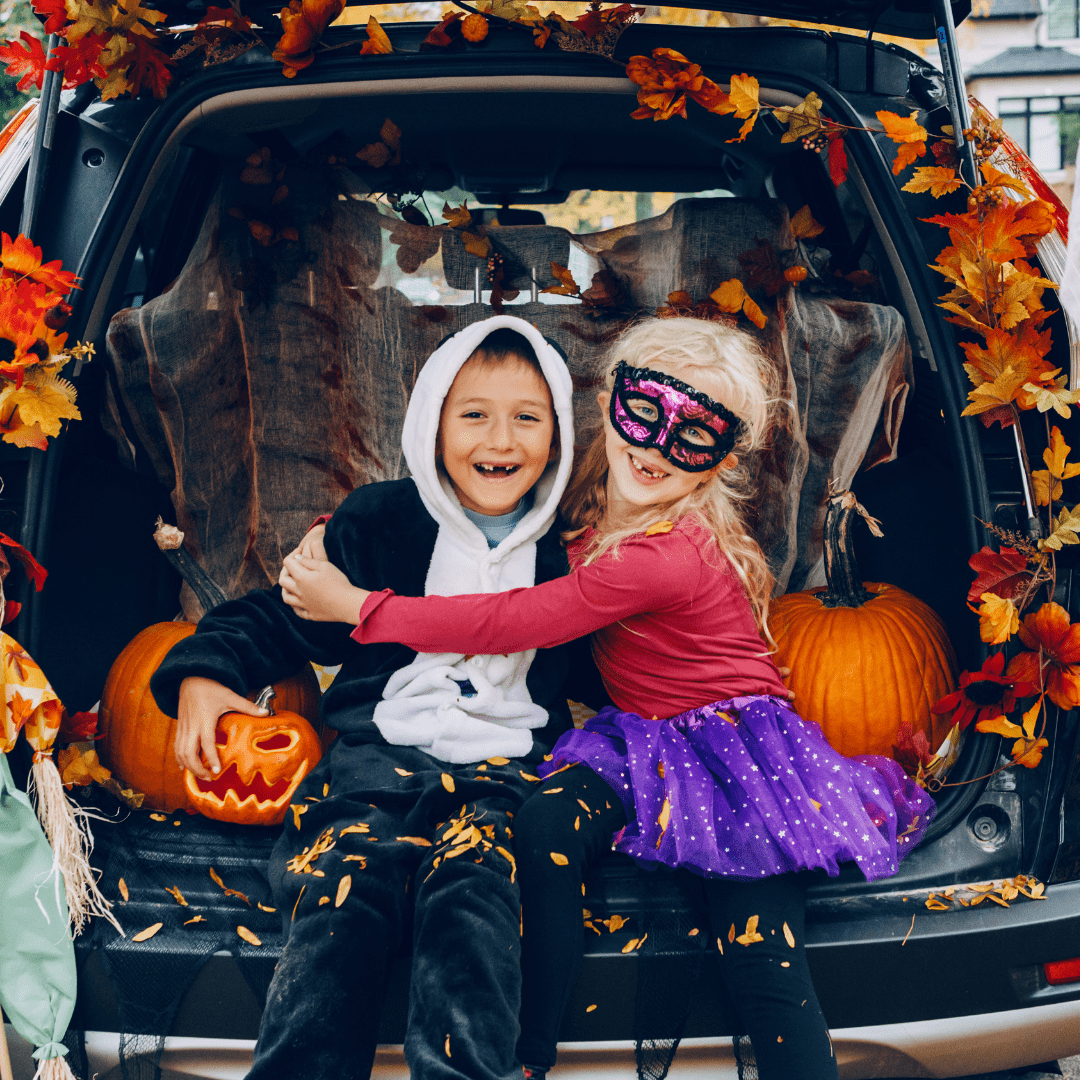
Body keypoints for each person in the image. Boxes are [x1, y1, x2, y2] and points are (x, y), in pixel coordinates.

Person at [278, 316, 935, 1080]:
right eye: (645, 414)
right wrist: (344, 529)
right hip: (641, 738)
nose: (656, 449)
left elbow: (513, 618)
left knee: (756, 949)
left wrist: (360, 606)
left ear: (722, 458)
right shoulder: (594, 505)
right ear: (612, 406)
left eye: (693, 437)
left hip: (730, 752)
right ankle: (531, 1053)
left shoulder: (663, 557)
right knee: (546, 825)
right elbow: (467, 520)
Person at [150, 315, 582, 1080]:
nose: (501, 441)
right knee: (342, 892)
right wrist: (204, 671)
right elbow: (280, 617)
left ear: (560, 433)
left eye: (528, 418)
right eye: (474, 415)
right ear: (431, 422)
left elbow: (616, 662)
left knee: (475, 900)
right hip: (372, 767)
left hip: (501, 777)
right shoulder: (382, 523)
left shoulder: (571, 550)